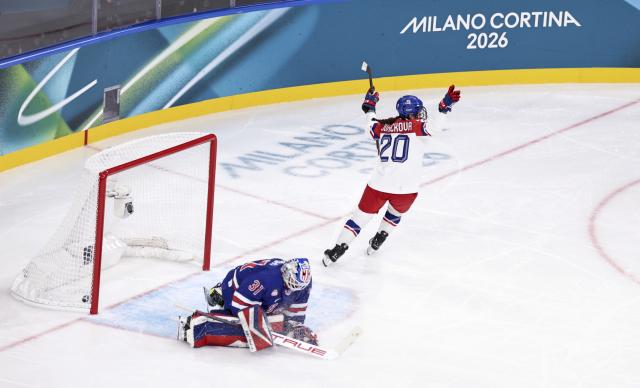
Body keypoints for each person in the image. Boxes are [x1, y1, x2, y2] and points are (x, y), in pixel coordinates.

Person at [322, 85, 461, 266]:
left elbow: (370, 124)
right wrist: (444, 107)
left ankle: (337, 249)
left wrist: (369, 107)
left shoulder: (383, 126)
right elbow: (436, 127)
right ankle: (380, 237)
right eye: (418, 111)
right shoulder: (416, 127)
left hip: (378, 185)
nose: (420, 114)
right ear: (412, 114)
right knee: (394, 214)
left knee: (359, 219)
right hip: (407, 189)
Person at [178, 257, 317, 351]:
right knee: (246, 327)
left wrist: (294, 327)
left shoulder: (303, 284)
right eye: (291, 282)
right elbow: (239, 305)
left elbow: (297, 311)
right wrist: (265, 325)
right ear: (285, 271)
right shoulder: (266, 279)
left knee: (271, 320)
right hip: (236, 289)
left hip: (259, 292)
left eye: (297, 286)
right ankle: (216, 299)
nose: (293, 287)